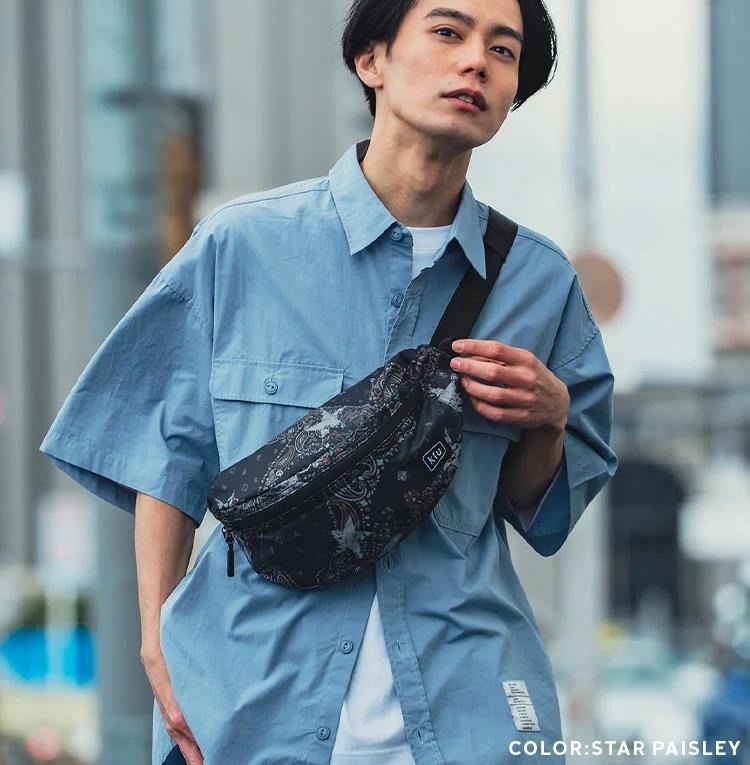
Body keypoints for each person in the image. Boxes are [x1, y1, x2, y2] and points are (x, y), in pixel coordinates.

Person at [39, 0, 619, 762]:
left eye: (503, 51)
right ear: (371, 60)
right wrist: (156, 635)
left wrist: (549, 417)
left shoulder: (538, 284)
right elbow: (166, 456)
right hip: (253, 703)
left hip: (465, 706)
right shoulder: (243, 245)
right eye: (448, 32)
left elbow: (541, 512)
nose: (476, 61)